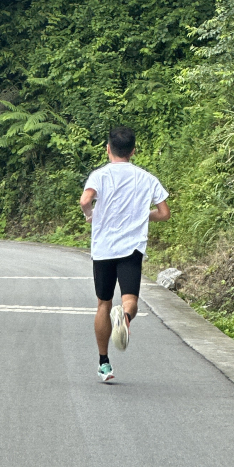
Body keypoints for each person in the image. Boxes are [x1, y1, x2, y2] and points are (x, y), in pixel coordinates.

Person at [80, 126, 169, 382]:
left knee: (103, 304)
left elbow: (86, 201)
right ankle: (125, 317)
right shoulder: (146, 178)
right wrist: (144, 215)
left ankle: (104, 363)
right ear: (133, 151)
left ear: (108, 148)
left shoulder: (100, 175)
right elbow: (164, 213)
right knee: (130, 301)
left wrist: (90, 216)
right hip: (131, 249)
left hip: (104, 248)